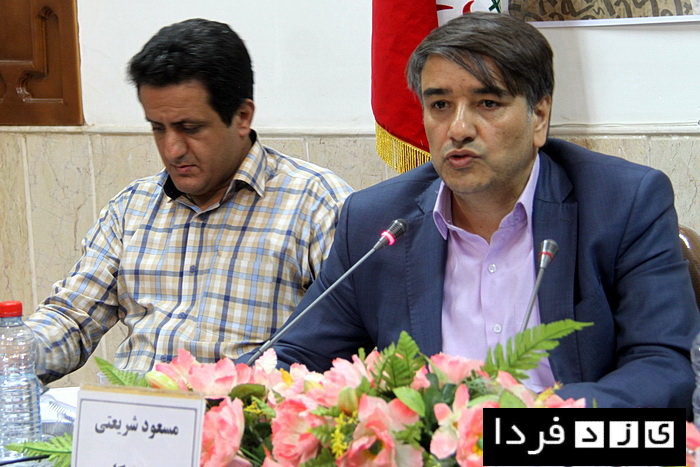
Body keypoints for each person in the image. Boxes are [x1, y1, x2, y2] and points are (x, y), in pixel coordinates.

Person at [266, 12, 700, 410]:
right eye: (440, 105)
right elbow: (296, 355)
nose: (458, 129)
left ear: (539, 117)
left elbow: (664, 367)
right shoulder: (374, 220)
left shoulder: (623, 202)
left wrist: (531, 426)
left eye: (488, 103)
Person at [27, 18, 352, 383]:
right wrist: (15, 351)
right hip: (132, 409)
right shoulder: (132, 207)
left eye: (190, 128)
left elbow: (348, 342)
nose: (171, 149)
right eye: (158, 128)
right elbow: (71, 319)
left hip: (245, 411)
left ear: (242, 116)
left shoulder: (316, 205)